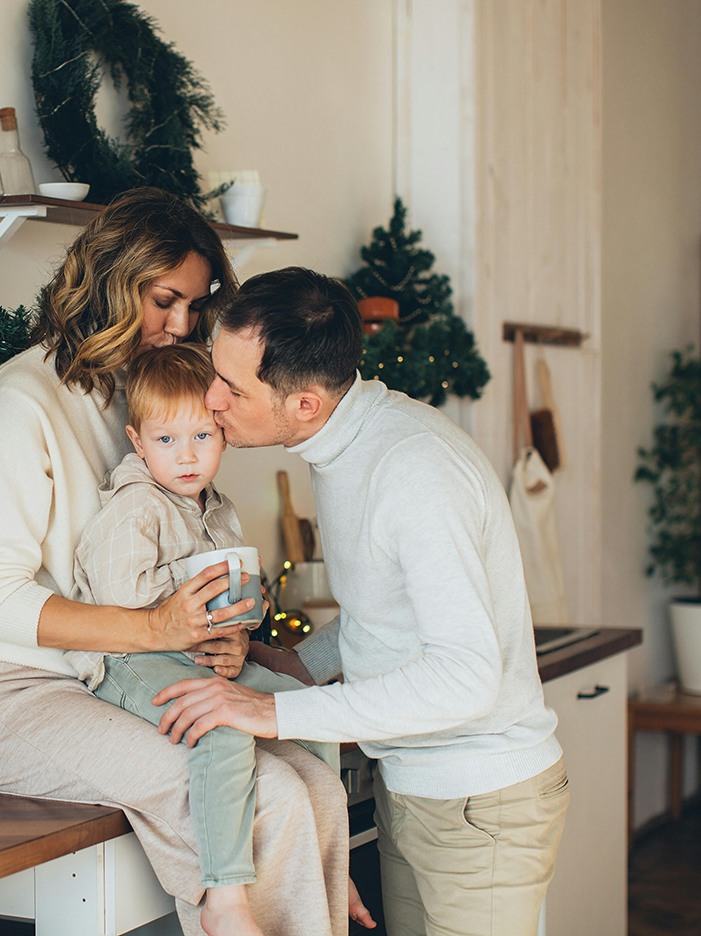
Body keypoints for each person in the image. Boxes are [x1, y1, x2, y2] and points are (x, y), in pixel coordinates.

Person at [0, 192, 352, 936]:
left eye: (196, 306)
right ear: (109, 279)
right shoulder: (17, 405)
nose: (183, 326)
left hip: (115, 679)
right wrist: (159, 628)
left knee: (311, 774)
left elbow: (173, 564)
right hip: (12, 699)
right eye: (167, 301)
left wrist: (218, 636)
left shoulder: (142, 397)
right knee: (265, 793)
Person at [155, 267, 570, 936]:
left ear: (306, 405)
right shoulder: (345, 444)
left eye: (232, 387)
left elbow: (464, 679)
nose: (212, 400)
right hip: (412, 787)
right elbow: (387, 614)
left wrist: (273, 710)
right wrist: (297, 664)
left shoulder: (413, 470)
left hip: (480, 801)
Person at [66, 342, 340, 936]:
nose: (186, 456)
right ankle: (224, 896)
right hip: (131, 658)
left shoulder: (218, 508)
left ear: (222, 433)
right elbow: (119, 602)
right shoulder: (135, 507)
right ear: (138, 443)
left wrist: (245, 617)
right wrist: (198, 589)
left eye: (201, 438)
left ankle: (331, 874)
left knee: (310, 709)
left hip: (199, 652)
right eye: (166, 441)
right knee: (220, 730)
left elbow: (239, 606)